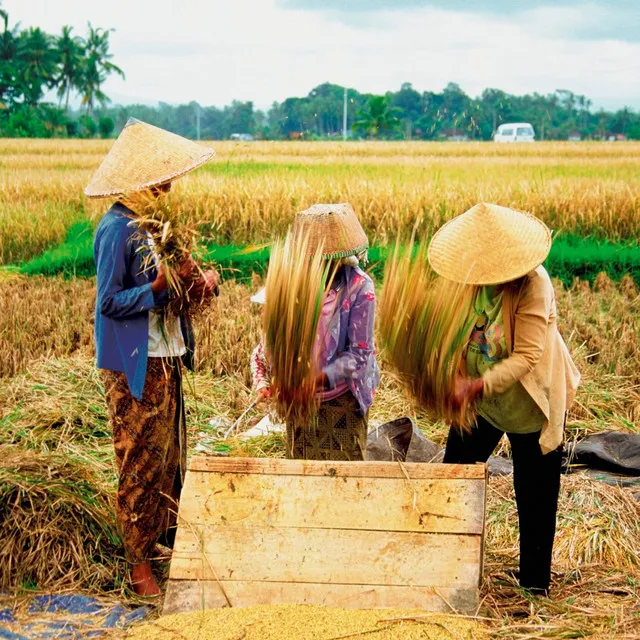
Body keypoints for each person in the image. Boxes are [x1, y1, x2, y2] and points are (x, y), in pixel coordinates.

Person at [87, 118, 220, 596]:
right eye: (161, 176)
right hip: (132, 365)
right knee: (138, 462)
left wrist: (198, 283)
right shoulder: (116, 229)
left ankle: (155, 538)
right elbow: (108, 302)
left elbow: (174, 292)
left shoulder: (158, 226)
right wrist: (158, 288)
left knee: (167, 457)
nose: (168, 184)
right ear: (139, 178)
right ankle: (138, 566)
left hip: (167, 358)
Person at [427, 202, 580, 596]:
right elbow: (457, 332)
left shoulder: (534, 285)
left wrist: (474, 386)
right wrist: (458, 372)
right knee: (454, 474)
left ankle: (534, 587)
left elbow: (527, 356)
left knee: (534, 494)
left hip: (530, 402)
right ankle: (449, 565)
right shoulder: (468, 279)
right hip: (484, 402)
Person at [251, 203, 380, 461]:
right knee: (302, 472)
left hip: (342, 400)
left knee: (343, 474)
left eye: (325, 260)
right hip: (299, 404)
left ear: (338, 258)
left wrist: (315, 381)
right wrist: (263, 381)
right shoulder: (290, 283)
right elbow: (266, 346)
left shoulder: (359, 288)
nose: (319, 267)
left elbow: (358, 355)